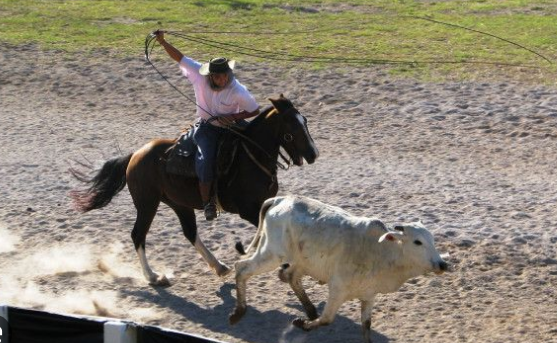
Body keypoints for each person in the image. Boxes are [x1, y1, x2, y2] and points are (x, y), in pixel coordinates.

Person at [155, 31, 260, 221]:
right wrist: (163, 42)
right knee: (206, 158)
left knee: (257, 143)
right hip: (207, 128)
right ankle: (208, 203)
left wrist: (236, 116)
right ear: (210, 76)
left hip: (232, 127)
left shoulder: (238, 90)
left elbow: (254, 110)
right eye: (218, 77)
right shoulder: (198, 74)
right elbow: (180, 57)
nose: (223, 80)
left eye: (225, 76)